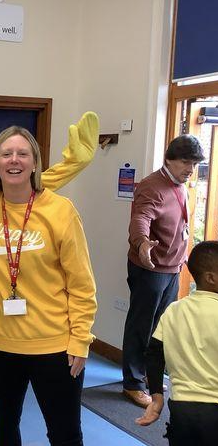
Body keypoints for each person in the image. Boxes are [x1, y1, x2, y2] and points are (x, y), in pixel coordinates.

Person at [0, 126, 97, 446]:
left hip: (55, 347)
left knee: (64, 432)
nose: (14, 160)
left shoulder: (60, 210)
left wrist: (80, 339)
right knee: (3, 424)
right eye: (6, 154)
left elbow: (82, 283)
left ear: (35, 163)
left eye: (23, 154)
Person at [122, 134, 204, 408]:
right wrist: (142, 243)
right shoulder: (151, 186)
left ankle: (147, 373)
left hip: (172, 268)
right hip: (150, 269)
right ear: (169, 159)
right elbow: (140, 219)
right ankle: (132, 384)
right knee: (141, 325)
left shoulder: (180, 186)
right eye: (185, 162)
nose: (190, 169)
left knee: (160, 326)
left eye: (194, 164)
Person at [135, 240, 218, 446]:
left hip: (182, 409)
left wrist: (156, 399)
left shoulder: (173, 310)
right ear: (211, 278)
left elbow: (154, 355)